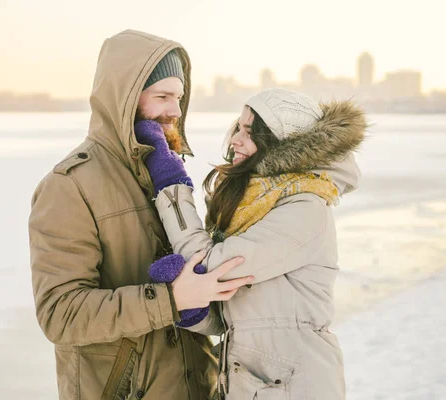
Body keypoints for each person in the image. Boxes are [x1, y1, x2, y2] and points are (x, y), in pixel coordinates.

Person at [28, 29, 252, 400]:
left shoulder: (166, 171)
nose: (175, 112)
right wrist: (169, 299)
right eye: (162, 96)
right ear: (124, 97)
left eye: (179, 98)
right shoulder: (69, 185)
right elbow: (60, 313)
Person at [134, 88, 367, 399]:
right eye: (238, 128)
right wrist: (196, 311)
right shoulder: (253, 204)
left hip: (295, 387)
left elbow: (203, 265)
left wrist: (172, 182)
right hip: (252, 385)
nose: (235, 140)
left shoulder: (305, 210)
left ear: (285, 143)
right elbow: (232, 320)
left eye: (250, 132)